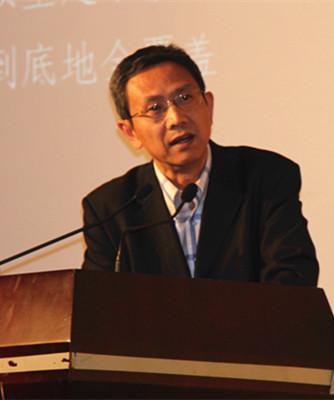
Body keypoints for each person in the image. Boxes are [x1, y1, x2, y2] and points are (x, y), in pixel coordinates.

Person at [81, 44, 318, 286]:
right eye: (155, 108)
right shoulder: (109, 210)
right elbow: (96, 300)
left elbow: (293, 281)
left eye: (185, 98)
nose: (176, 118)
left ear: (209, 106)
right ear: (130, 132)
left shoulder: (267, 177)